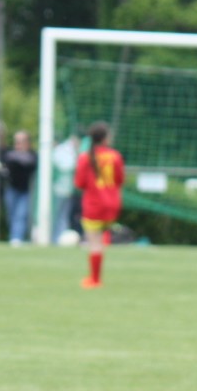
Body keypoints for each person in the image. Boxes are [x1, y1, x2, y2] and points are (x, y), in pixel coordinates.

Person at [75, 121, 124, 289]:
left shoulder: (85, 157)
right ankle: (97, 273)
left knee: (94, 242)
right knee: (102, 237)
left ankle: (95, 279)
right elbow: (120, 180)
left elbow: (79, 183)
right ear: (105, 138)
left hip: (94, 205)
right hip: (112, 205)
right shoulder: (115, 156)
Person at [1, 130, 38, 246]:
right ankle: (13, 236)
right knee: (11, 214)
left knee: (21, 214)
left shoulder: (32, 155)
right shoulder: (9, 154)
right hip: (11, 189)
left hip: (26, 191)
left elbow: (30, 162)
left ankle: (17, 238)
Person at [51, 132, 79, 243]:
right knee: (59, 216)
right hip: (59, 191)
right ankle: (55, 238)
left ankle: (58, 238)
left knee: (62, 216)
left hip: (64, 191)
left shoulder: (63, 153)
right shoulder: (62, 153)